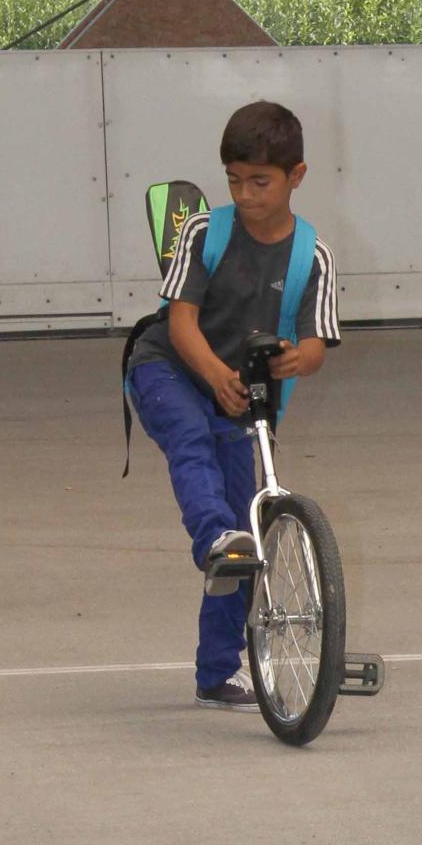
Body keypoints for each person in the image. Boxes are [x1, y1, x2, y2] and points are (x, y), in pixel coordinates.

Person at [126, 100, 340, 712]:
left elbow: (316, 344)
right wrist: (216, 374)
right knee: (192, 447)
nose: (245, 195)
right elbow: (181, 323)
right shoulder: (204, 232)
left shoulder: (312, 256)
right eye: (234, 180)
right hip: (168, 369)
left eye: (260, 182)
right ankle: (213, 538)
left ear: (296, 176)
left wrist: (297, 360)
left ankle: (217, 673)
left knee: (249, 528)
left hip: (240, 392)